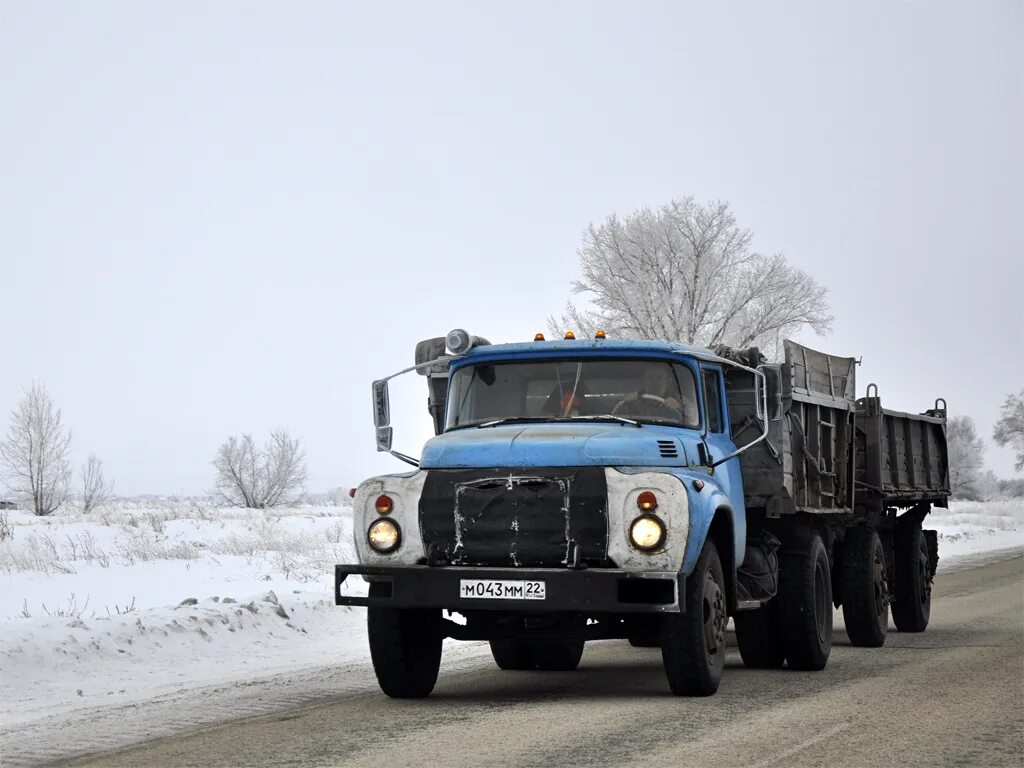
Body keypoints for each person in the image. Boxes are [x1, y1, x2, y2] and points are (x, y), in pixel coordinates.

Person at [614, 364, 695, 423]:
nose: (654, 383)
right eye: (649, 377)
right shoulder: (634, 400)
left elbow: (694, 420)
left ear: (668, 382)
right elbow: (616, 422)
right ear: (643, 380)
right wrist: (627, 404)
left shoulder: (679, 400)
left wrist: (679, 408)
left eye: (659, 378)